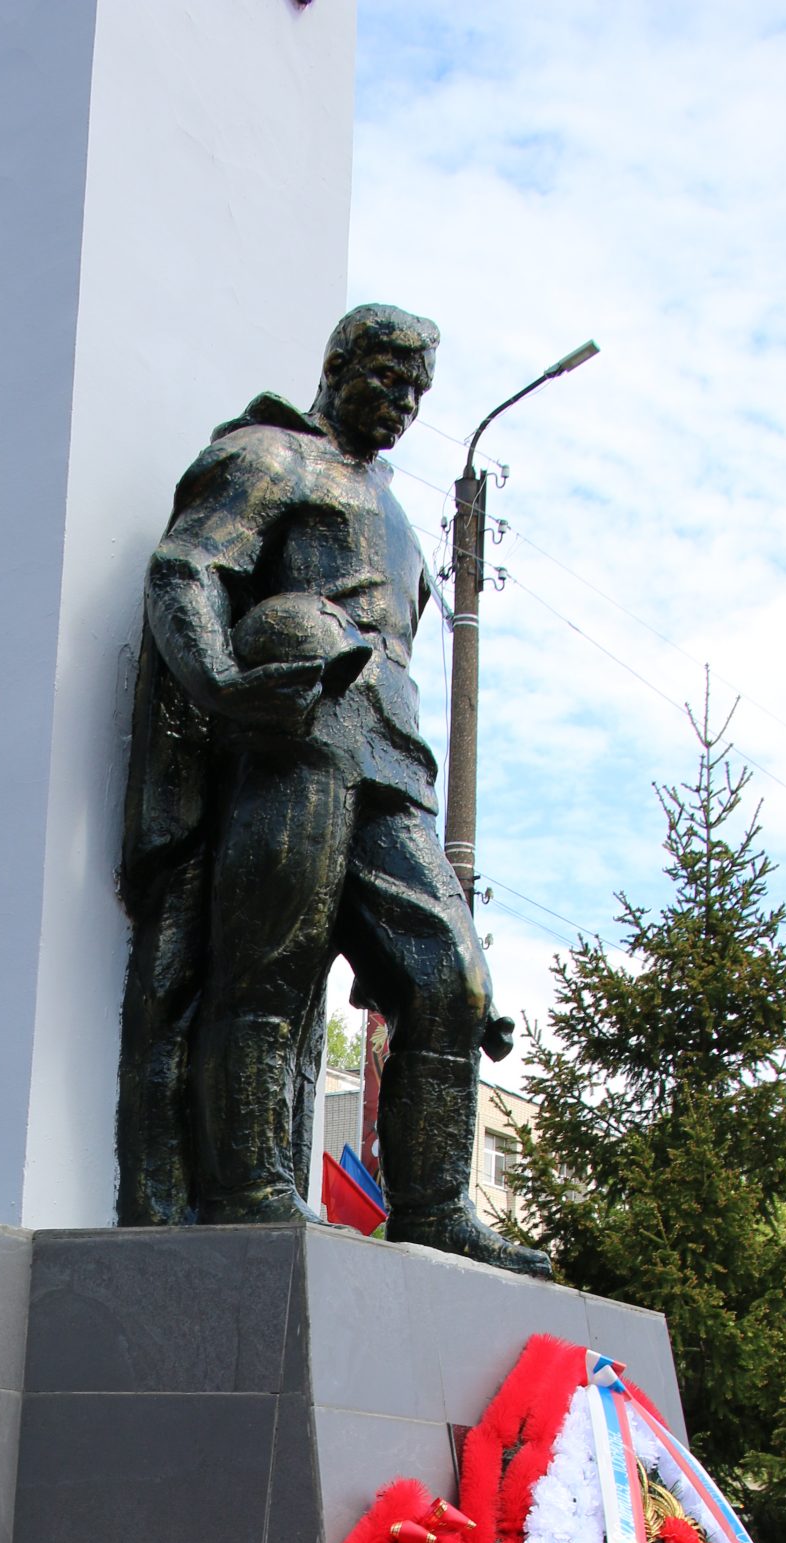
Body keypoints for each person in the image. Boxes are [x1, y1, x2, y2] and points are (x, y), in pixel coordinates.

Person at [117, 302, 547, 1274]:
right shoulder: (271, 456)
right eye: (386, 378)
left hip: (392, 753)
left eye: (415, 391)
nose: (401, 402)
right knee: (273, 959)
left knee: (451, 979)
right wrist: (223, 682)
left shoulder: (391, 507)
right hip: (299, 729)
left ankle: (434, 1209)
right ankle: (247, 1187)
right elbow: (185, 570)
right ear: (338, 365)